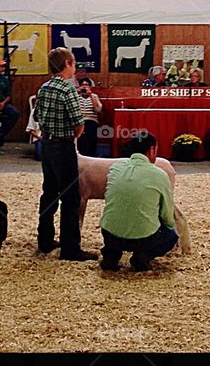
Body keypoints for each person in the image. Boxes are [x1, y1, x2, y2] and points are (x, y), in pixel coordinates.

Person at [34, 47, 97, 262]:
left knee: (49, 192)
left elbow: (37, 115)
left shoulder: (44, 87)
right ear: (67, 64)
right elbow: (79, 123)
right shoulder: (68, 89)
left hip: (46, 144)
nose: (75, 68)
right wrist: (73, 136)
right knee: (70, 197)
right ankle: (70, 248)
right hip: (63, 146)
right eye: (73, 63)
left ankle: (45, 240)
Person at [99, 133, 178, 272]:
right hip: (143, 238)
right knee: (171, 236)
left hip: (110, 234)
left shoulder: (115, 167)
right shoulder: (159, 174)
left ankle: (111, 254)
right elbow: (167, 214)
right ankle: (143, 256)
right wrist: (169, 227)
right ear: (152, 150)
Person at [76, 77, 102, 157]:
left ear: (90, 87)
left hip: (91, 120)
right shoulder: (76, 96)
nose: (84, 86)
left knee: (91, 129)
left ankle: (92, 155)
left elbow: (98, 109)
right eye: (82, 85)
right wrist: (77, 94)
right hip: (79, 120)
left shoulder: (94, 96)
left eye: (86, 85)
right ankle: (79, 154)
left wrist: (90, 96)